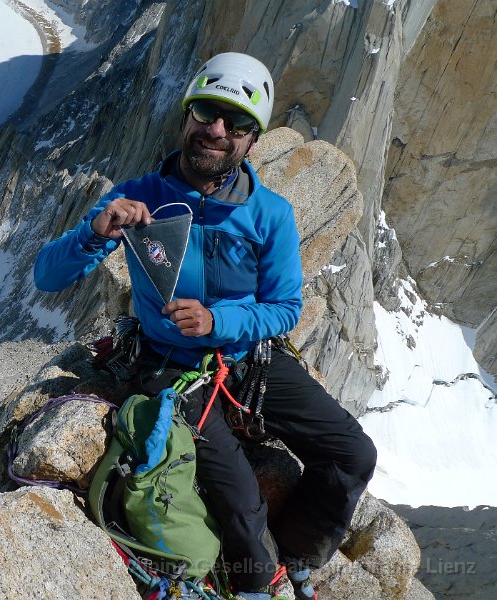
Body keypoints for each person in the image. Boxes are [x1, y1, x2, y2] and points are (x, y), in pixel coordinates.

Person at [33, 52, 377, 600]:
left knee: (353, 455)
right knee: (242, 504)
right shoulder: (139, 197)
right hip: (173, 370)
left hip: (246, 357)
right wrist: (97, 231)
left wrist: (218, 320)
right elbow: (47, 275)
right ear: (187, 117)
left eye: (237, 123)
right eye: (206, 113)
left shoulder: (270, 214)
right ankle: (256, 584)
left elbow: (285, 308)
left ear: (252, 142)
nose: (217, 130)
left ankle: (296, 557)